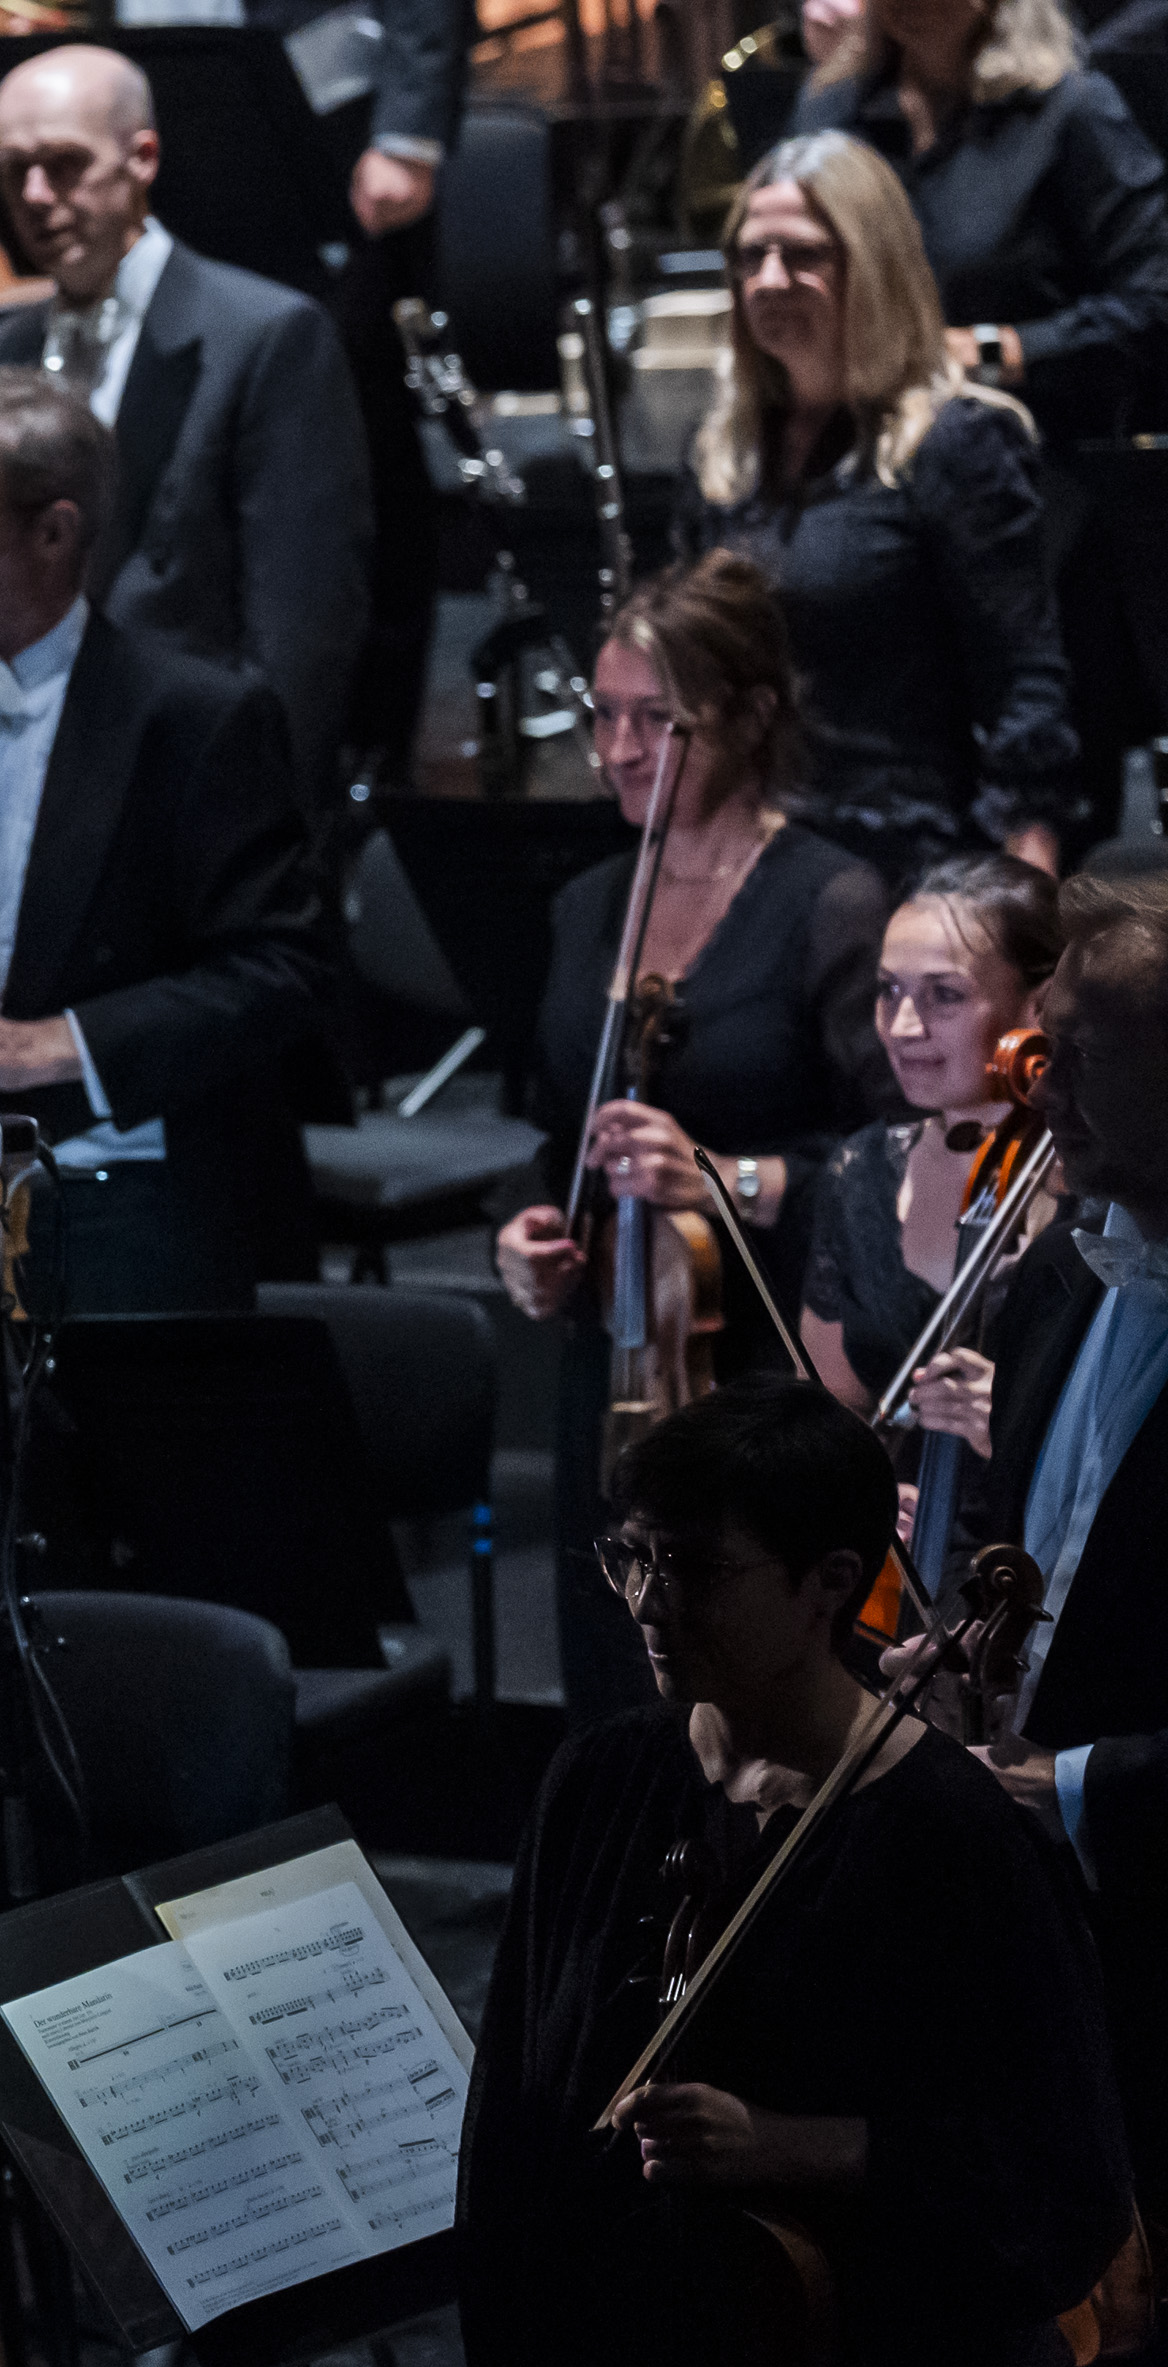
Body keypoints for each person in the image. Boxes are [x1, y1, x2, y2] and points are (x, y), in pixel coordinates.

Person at [458, 1377, 1132, 2367]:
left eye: (695, 1571)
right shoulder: (606, 1790)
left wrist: (797, 2150)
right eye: (633, 1563)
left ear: (833, 1585)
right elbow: (521, 2114)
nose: (649, 1605)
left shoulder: (951, 1837)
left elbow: (1062, 2181)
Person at [0, 371, 334, 1319]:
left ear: (54, 533)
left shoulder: (193, 719)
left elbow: (283, 972)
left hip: (121, 1201)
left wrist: (49, 1045)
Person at [498, 555, 888, 1724]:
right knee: (611, 1696)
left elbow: (891, 1170)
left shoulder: (829, 902)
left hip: (761, 1365)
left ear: (749, 714)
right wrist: (523, 1240)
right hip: (613, 1366)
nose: (615, 750)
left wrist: (735, 1179)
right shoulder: (586, 907)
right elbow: (548, 1134)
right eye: (601, 716)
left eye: (654, 721)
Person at [911, 893, 1168, 2232]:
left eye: (1078, 1058)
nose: (1034, 1084)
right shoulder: (1067, 1274)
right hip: (1043, 1920)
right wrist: (956, 1648)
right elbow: (1033, 1549)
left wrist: (1068, 1787)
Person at [796, 0, 1168, 840]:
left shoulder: (1071, 113)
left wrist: (999, 349)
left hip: (1030, 502)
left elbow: (1155, 298)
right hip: (871, 491)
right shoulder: (834, 114)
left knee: (1022, 802)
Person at [0, 45, 373, 799]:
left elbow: (302, 633)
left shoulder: (266, 337)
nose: (34, 193)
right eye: (12, 168)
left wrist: (255, 814)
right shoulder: (0, 356)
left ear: (142, 158)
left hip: (199, 786)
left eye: (63, 163)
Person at [684, 133, 1073, 882]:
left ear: (873, 266)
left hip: (900, 858)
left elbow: (1025, 681)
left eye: (804, 256)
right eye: (751, 255)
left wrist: (1025, 896)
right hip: (754, 860)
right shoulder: (723, 456)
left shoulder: (956, 444)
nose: (769, 280)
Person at [801, 849, 1063, 1416]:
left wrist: (1021, 1427)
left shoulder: (1104, 1192)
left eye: (945, 995)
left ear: (1039, 1006)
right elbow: (827, 1411)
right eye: (888, 990)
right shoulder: (862, 1169)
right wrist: (861, 1492)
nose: (900, 1027)